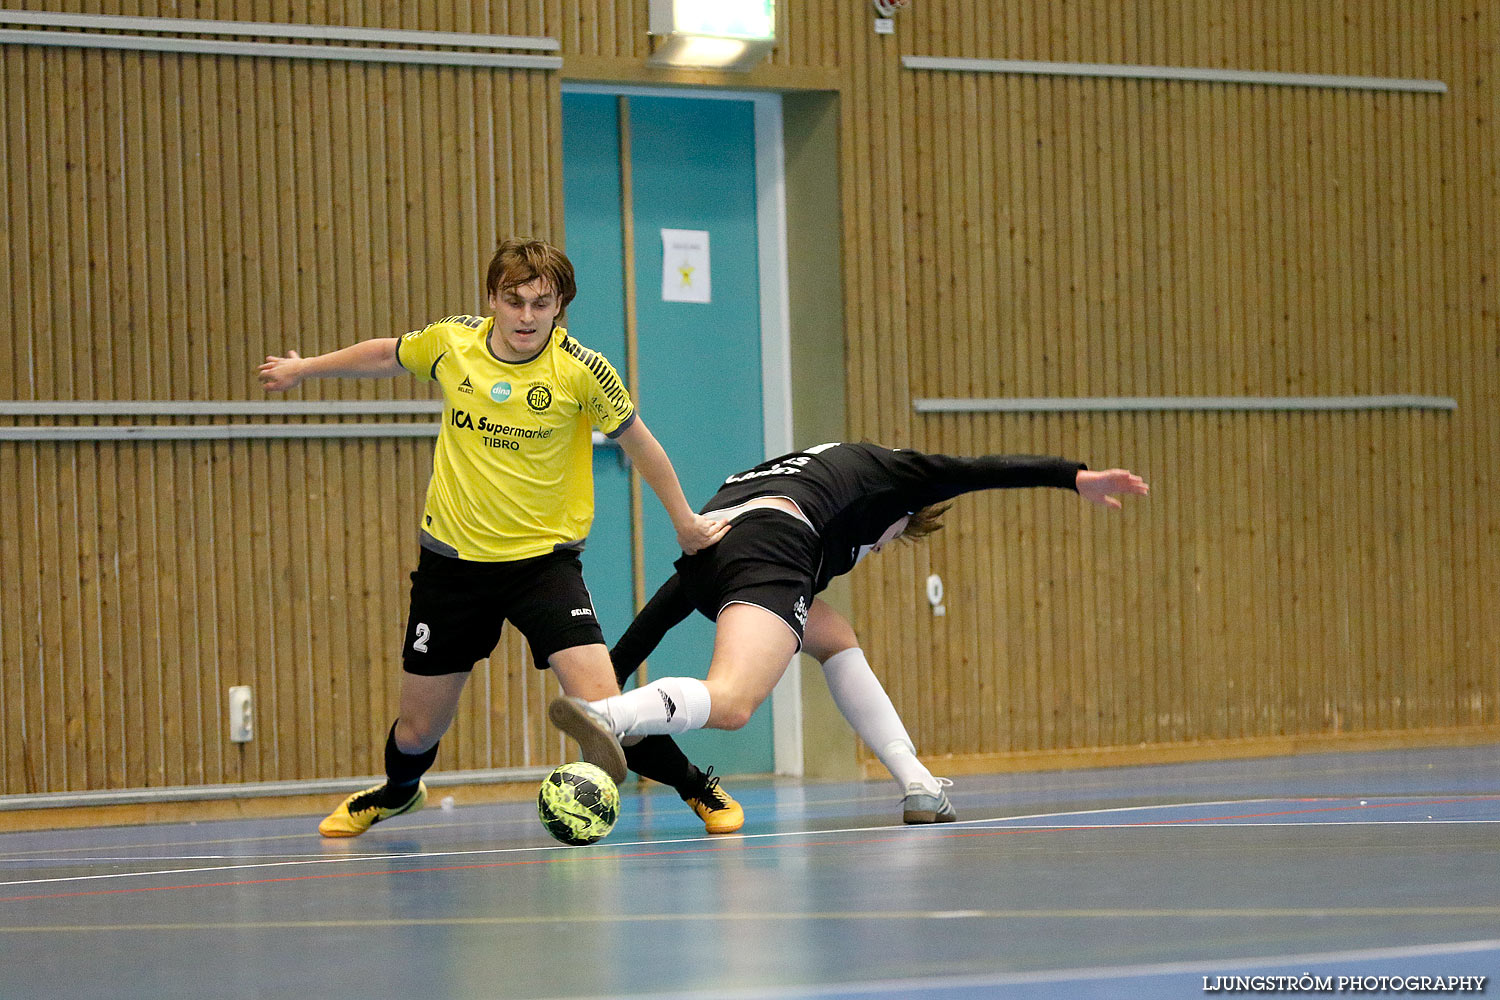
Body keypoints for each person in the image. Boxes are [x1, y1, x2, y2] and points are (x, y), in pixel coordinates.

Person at [258, 238, 742, 837]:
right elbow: (388, 354)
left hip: (543, 566)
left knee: (605, 708)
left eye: (542, 303)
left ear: (560, 306)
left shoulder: (582, 372)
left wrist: (685, 521)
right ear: (492, 299)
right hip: (452, 567)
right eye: (514, 301)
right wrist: (305, 369)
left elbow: (641, 445)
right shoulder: (453, 342)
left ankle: (697, 788)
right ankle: (398, 791)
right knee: (418, 730)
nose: (527, 317)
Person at [550, 442, 1150, 823]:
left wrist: (619, 663)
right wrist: (1073, 477)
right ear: (903, 517)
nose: (881, 547)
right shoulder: (898, 473)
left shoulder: (782, 473)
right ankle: (614, 718)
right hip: (775, 548)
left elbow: (683, 590)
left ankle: (916, 782)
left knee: (835, 634)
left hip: (715, 551)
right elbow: (977, 470)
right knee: (732, 701)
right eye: (890, 541)